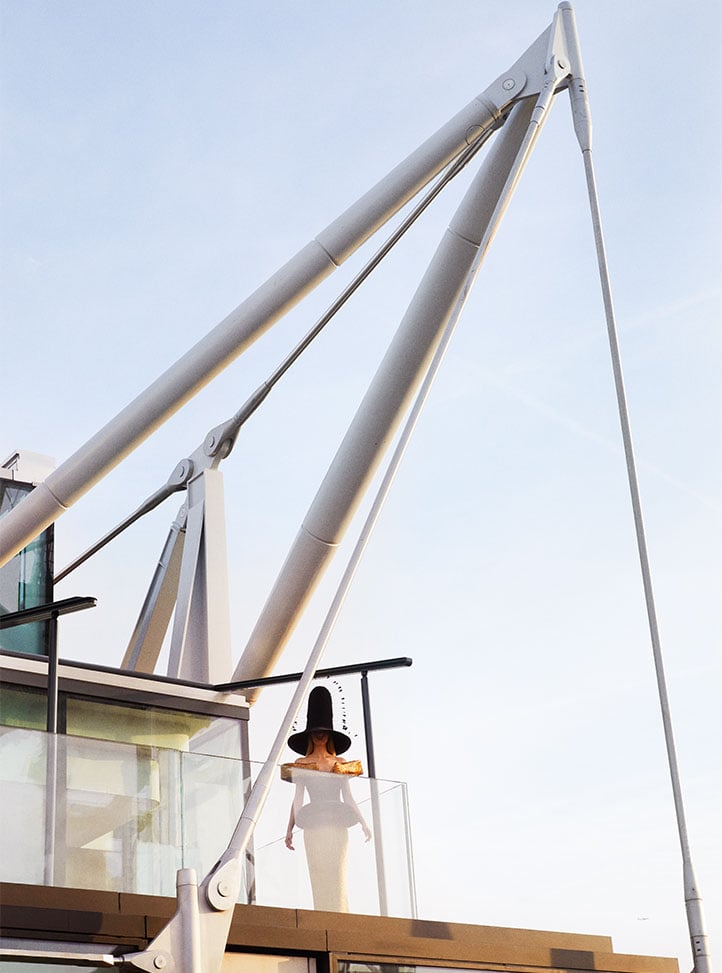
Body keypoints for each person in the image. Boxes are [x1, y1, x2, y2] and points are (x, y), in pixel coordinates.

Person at [283, 685, 371, 912]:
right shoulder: (302, 764)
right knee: (319, 875)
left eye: (323, 729)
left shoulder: (339, 762)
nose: (319, 734)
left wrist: (363, 822)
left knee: (337, 876)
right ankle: (322, 915)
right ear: (310, 733)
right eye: (315, 729)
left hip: (337, 826)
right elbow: (298, 798)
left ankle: (341, 917)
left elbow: (348, 797)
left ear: (329, 733)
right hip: (313, 827)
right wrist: (289, 829)